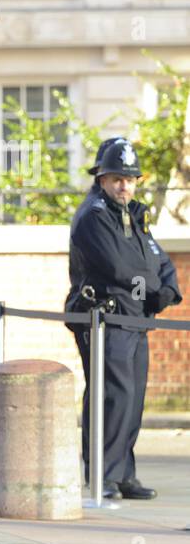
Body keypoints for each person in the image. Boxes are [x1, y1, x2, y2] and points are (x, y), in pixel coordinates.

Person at [65, 137, 182, 500]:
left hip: (135, 318)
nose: (124, 185)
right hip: (106, 318)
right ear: (101, 178)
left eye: (129, 179)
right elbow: (118, 266)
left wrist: (168, 288)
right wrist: (153, 288)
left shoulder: (133, 214)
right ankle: (103, 475)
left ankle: (123, 473)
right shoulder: (93, 216)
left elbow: (158, 258)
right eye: (116, 178)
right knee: (112, 396)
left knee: (132, 399)